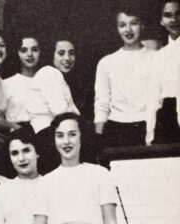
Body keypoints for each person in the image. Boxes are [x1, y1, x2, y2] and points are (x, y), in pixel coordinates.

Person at [94, 4, 155, 148]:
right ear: (117, 28)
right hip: (116, 129)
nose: (128, 30)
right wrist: (98, 139)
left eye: (133, 23)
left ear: (142, 26)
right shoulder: (106, 62)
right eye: (122, 25)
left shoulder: (156, 58)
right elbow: (102, 104)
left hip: (148, 126)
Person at [26, 36, 81, 140]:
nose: (67, 58)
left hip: (58, 133)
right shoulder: (49, 73)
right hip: (48, 135)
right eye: (61, 53)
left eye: (71, 53)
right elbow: (61, 113)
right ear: (52, 54)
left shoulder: (57, 76)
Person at [147, 1, 180, 144]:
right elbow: (154, 98)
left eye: (178, 14)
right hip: (169, 121)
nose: (174, 20)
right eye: (168, 15)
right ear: (161, 21)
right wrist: (150, 134)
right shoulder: (159, 56)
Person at [3, 35, 41, 127]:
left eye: (34, 49)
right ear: (17, 53)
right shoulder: (7, 84)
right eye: (24, 50)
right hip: (18, 131)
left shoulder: (47, 80)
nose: (30, 54)